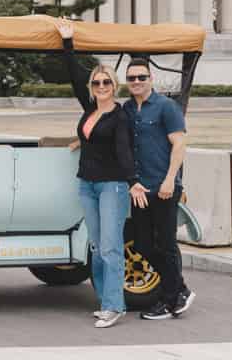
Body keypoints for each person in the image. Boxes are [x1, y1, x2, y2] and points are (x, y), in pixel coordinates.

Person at [56, 19, 135, 328]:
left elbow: (124, 151)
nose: (101, 87)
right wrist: (68, 44)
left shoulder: (119, 115)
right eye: (97, 83)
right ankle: (105, 300)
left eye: (107, 83)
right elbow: (75, 77)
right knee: (96, 246)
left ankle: (115, 305)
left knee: (111, 247)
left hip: (112, 186)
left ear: (115, 87)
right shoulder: (90, 110)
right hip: (87, 184)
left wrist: (133, 183)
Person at [123, 57, 195, 320]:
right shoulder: (128, 110)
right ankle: (180, 289)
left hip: (164, 188)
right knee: (142, 244)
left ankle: (169, 300)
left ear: (150, 79)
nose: (137, 82)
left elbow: (179, 144)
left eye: (141, 77)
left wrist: (169, 180)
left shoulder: (166, 107)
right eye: (132, 78)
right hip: (140, 191)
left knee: (165, 244)